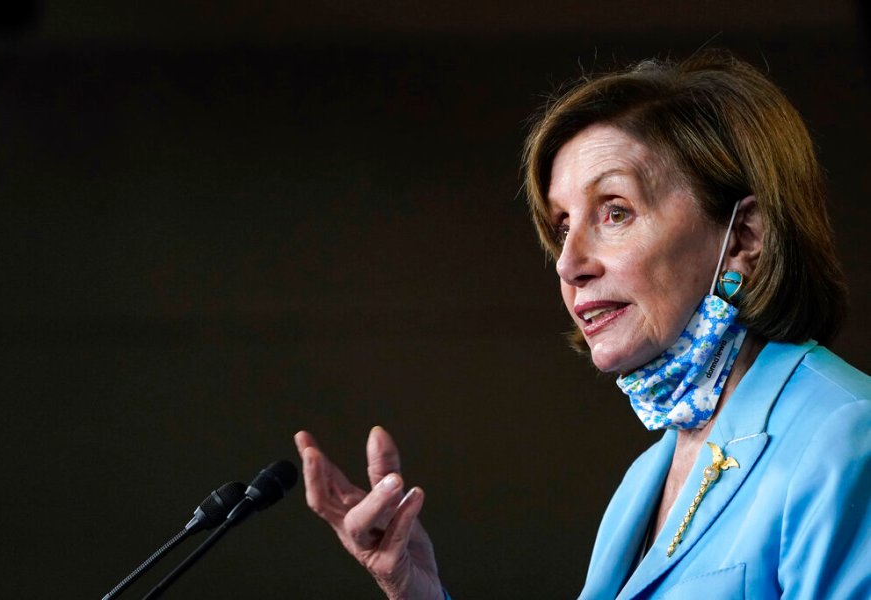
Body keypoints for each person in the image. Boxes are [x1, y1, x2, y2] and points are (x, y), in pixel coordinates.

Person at [294, 50, 871, 599]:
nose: (569, 263)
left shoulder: (845, 436)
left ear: (744, 237)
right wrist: (414, 590)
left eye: (614, 212)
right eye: (563, 224)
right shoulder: (644, 482)